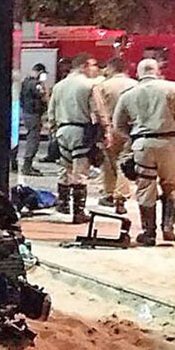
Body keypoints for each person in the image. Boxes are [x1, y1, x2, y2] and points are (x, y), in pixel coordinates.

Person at [113, 58, 175, 246]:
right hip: (169, 143)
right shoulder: (172, 88)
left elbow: (117, 124)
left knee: (146, 188)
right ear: (157, 71)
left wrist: (133, 137)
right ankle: (168, 227)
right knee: (171, 186)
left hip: (143, 144)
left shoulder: (129, 94)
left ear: (139, 73)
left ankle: (148, 233)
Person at [47, 53, 110, 224]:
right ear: (84, 66)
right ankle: (78, 212)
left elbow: (51, 111)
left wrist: (53, 130)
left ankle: (63, 204)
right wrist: (105, 131)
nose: (95, 69)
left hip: (62, 131)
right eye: (93, 65)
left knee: (65, 169)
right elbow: (98, 111)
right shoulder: (89, 86)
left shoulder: (59, 86)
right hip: (81, 132)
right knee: (80, 172)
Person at [98, 58, 137, 214]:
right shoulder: (136, 85)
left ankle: (109, 193)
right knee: (125, 161)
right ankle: (121, 195)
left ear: (111, 68)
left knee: (108, 162)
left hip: (110, 128)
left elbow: (98, 109)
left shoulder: (103, 86)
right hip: (131, 129)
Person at [20, 63, 48, 176]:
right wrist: (44, 83)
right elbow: (43, 96)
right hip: (34, 114)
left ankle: (26, 165)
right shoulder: (36, 84)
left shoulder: (25, 82)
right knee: (33, 140)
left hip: (27, 113)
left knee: (31, 137)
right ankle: (27, 166)